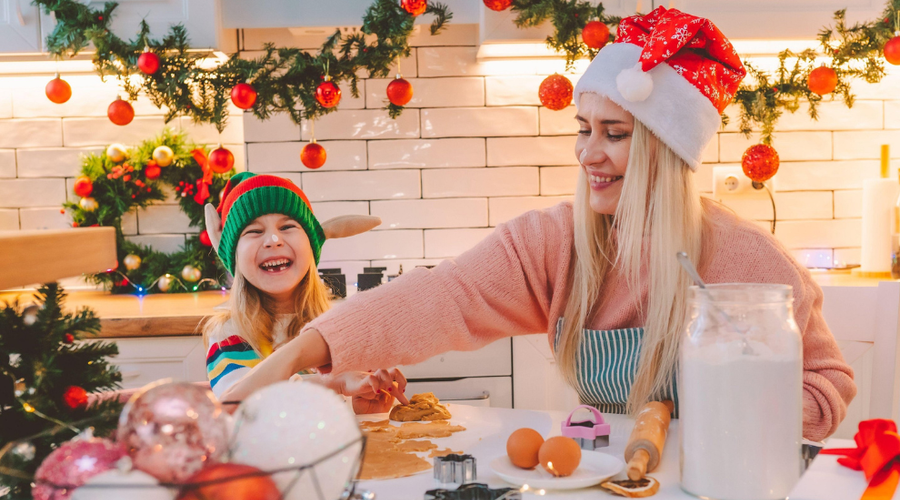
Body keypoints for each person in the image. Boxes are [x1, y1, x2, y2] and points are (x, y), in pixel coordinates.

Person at [221, 7, 855, 440]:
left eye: (616, 134)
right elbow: (440, 297)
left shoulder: (749, 264)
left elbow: (827, 389)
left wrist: (741, 403)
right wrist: (289, 360)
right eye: (583, 131)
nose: (588, 154)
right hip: (610, 480)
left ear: (670, 149)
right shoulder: (554, 245)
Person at [201, 172, 409, 413]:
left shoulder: (336, 329)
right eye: (254, 231)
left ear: (312, 245)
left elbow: (330, 420)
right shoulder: (230, 335)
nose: (273, 239)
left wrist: (360, 407)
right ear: (234, 257)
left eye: (287, 226)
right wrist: (334, 386)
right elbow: (241, 409)